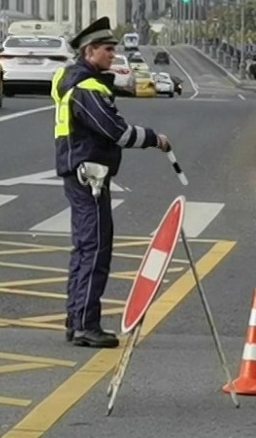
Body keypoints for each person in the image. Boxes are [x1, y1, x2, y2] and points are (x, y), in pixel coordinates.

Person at [52, 17, 172, 349]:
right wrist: (153, 138)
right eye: (108, 50)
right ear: (90, 51)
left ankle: (75, 321)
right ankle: (86, 326)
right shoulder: (87, 88)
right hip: (89, 175)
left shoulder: (73, 79)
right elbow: (116, 132)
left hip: (79, 170)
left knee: (84, 248)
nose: (112, 55)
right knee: (95, 249)